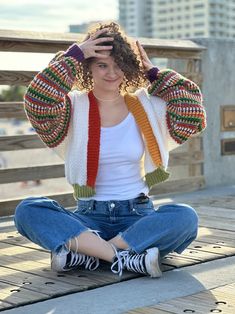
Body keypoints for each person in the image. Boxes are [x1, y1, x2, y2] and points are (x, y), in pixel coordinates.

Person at [14, 22, 206, 278]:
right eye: (102, 65)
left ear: (128, 67)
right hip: (88, 218)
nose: (111, 73)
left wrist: (154, 75)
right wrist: (75, 54)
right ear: (88, 68)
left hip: (137, 216)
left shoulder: (146, 107)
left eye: (118, 65)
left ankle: (89, 253)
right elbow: (38, 100)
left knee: (185, 218)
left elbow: (192, 114)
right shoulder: (72, 108)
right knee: (28, 210)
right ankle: (125, 258)